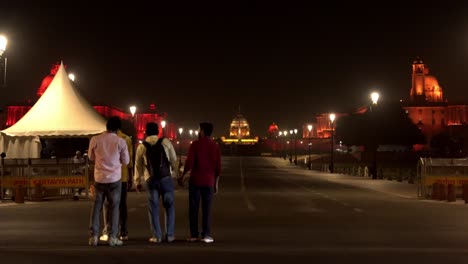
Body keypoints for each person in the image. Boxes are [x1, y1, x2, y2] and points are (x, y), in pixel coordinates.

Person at [88, 116, 130, 247]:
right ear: (118, 129)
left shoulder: (95, 139)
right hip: (114, 179)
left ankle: (94, 236)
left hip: (99, 178)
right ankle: (113, 237)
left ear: (106, 127)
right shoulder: (120, 141)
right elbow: (126, 161)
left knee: (97, 207)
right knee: (114, 207)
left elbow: (90, 157)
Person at [134, 122, 178, 243]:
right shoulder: (166, 142)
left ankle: (156, 236)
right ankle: (169, 235)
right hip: (166, 179)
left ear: (146, 132)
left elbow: (138, 166)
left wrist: (137, 181)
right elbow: (174, 160)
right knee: (169, 206)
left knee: (153, 208)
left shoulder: (142, 147)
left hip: (151, 180)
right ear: (158, 131)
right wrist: (176, 175)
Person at [177, 122, 221, 243]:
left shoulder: (195, 145)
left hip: (196, 181)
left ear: (202, 131)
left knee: (193, 208)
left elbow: (189, 163)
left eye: (198, 129)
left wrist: (182, 176)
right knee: (207, 209)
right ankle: (206, 234)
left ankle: (194, 234)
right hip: (209, 182)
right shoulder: (215, 146)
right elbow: (218, 168)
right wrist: (216, 183)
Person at [100, 129, 133, 241]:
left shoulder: (102, 138)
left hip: (106, 176)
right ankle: (123, 231)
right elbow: (129, 161)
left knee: (108, 205)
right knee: (121, 205)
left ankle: (107, 230)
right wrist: (131, 177)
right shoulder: (126, 139)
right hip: (122, 177)